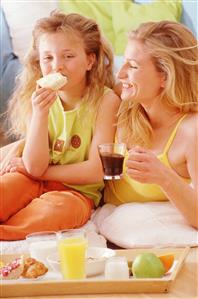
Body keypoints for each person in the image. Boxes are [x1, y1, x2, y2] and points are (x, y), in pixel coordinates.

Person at [0, 11, 120, 240]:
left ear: (90, 60)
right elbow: (33, 168)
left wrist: (41, 171)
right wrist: (39, 114)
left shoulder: (106, 101)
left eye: (68, 56)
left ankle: (5, 234)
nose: (57, 66)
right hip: (32, 180)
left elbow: (96, 171)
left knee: (50, 213)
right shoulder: (38, 99)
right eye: (48, 58)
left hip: (76, 193)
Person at [105, 21, 198, 229]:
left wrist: (164, 177)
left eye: (133, 66)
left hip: (136, 238)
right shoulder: (118, 103)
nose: (120, 75)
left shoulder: (192, 132)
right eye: (124, 63)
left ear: (165, 76)